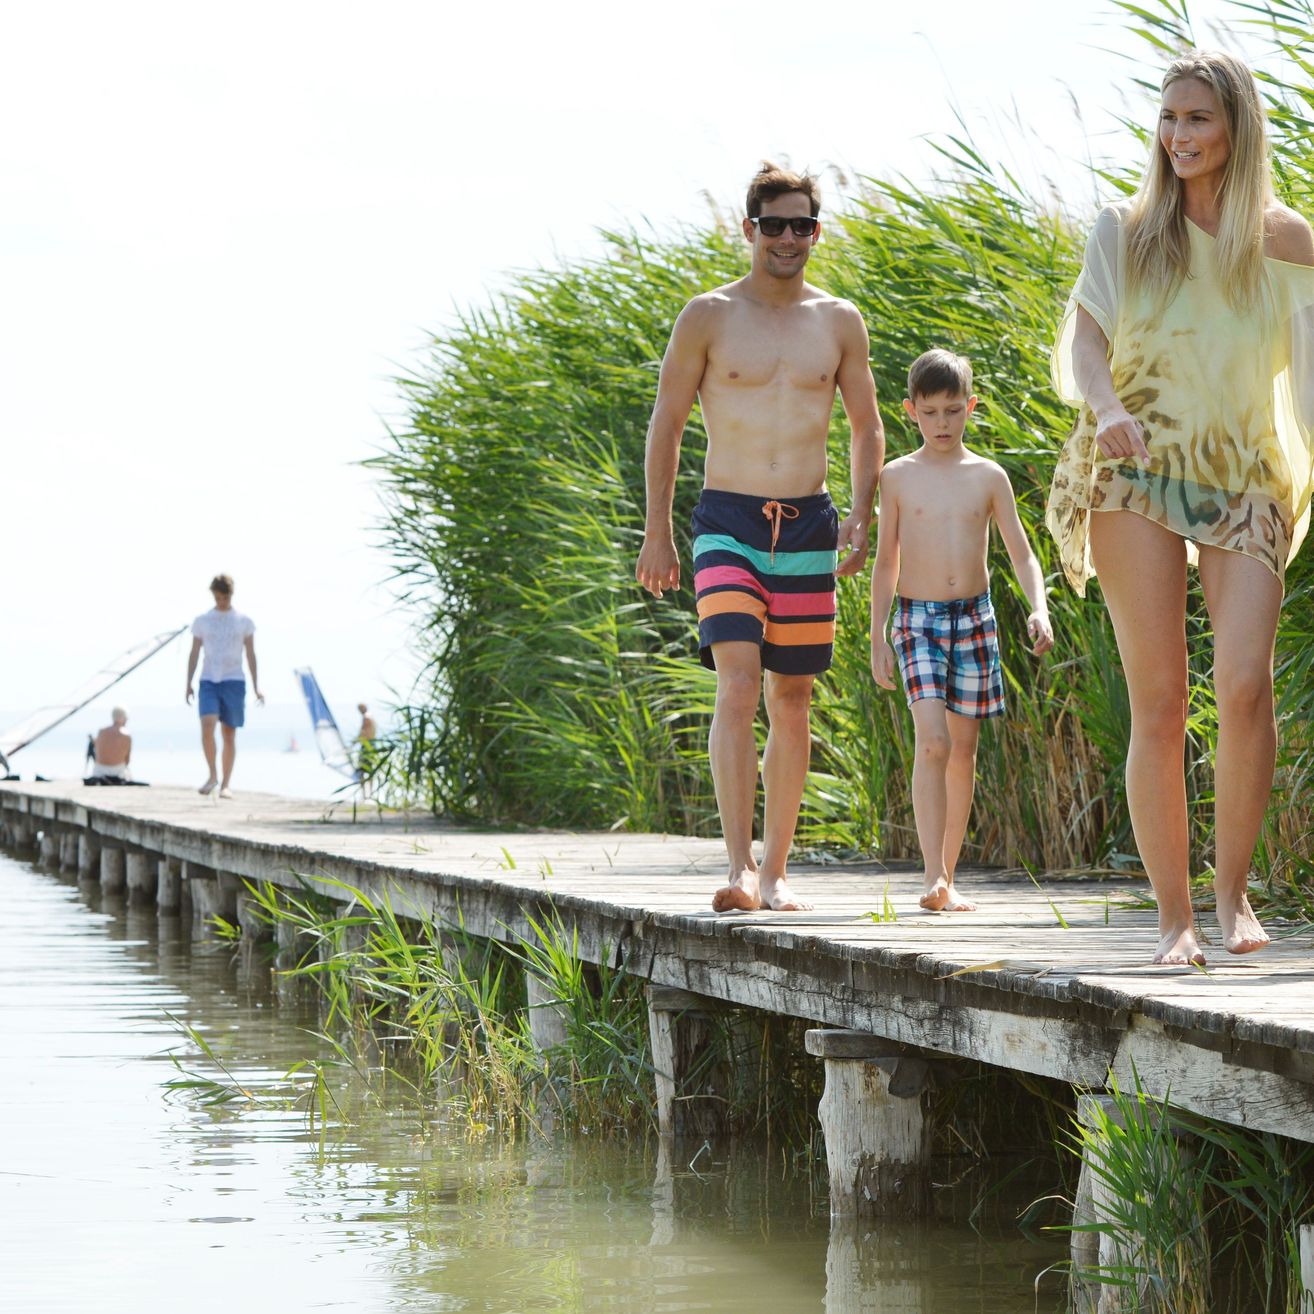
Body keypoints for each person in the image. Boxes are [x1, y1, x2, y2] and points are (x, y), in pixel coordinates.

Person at [1046, 50, 1314, 965]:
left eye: (1197, 118)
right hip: (1137, 468)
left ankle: (1232, 894)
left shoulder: (1284, 240)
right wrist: (1109, 408)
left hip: (1246, 473)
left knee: (1244, 689)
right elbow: (1086, 340)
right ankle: (1176, 918)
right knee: (1160, 702)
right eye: (1168, 118)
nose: (1178, 136)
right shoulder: (1126, 231)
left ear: (1237, 124)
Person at [635, 162, 885, 912]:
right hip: (727, 523)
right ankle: (739, 866)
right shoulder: (707, 316)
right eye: (772, 224)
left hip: (808, 521)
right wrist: (658, 531)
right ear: (749, 229)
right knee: (738, 682)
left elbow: (869, 427)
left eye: (800, 225)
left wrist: (863, 513)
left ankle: (776, 873)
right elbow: (667, 423)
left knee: (795, 696)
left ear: (816, 231)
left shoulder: (839, 321)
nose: (786, 238)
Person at [871, 350, 1054, 912]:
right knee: (934, 741)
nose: (943, 423)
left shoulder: (988, 476)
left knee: (964, 750)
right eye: (931, 412)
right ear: (911, 411)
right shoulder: (897, 477)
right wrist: (879, 634)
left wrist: (1039, 607)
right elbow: (885, 561)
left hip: (975, 617)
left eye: (954, 410)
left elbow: (1022, 555)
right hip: (916, 619)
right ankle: (930, 876)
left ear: (970, 407)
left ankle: (948, 877)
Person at [185, 574, 264, 798]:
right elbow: (194, 653)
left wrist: (257, 686)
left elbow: (251, 654)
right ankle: (212, 774)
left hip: (234, 679)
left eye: (225, 597)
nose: (221, 602)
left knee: (229, 733)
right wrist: (188, 683)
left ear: (231, 595)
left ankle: (226, 784)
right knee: (207, 725)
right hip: (209, 678)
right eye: (218, 597)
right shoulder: (202, 621)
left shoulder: (244, 621)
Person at [88, 706, 133, 782]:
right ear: (123, 718)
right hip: (118, 772)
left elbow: (98, 748)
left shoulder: (101, 732)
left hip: (99, 771)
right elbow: (127, 760)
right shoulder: (126, 736)